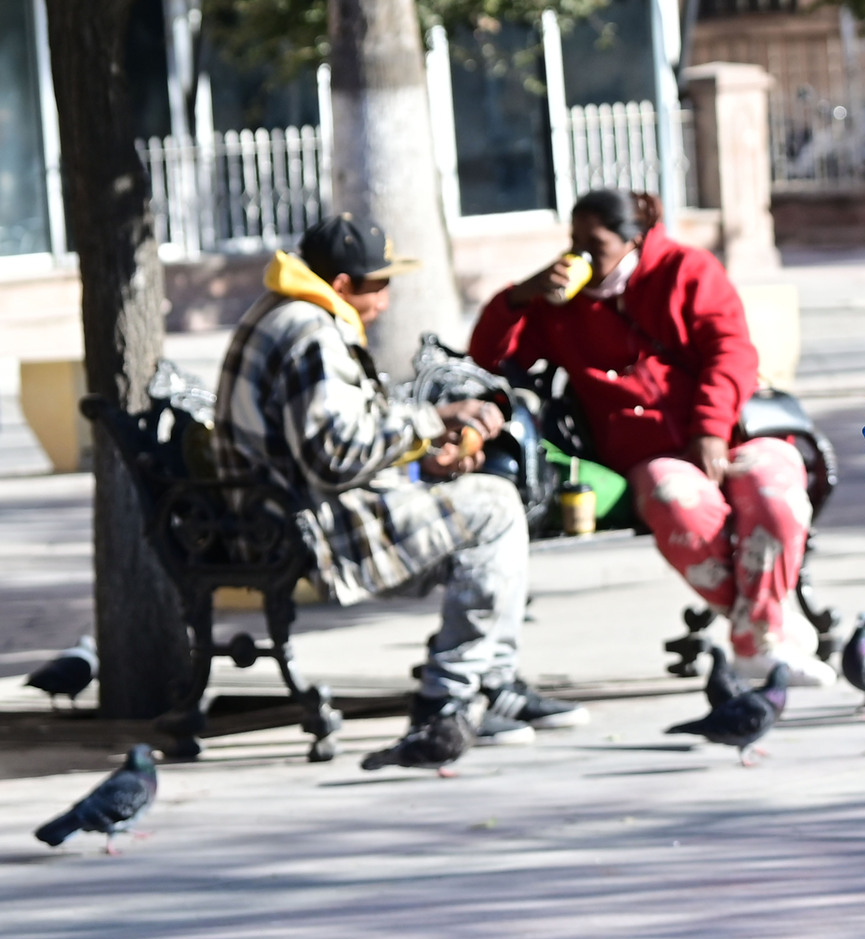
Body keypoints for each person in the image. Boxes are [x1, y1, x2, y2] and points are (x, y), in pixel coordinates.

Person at [213, 213, 586, 772]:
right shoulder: (310, 331)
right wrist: (433, 421)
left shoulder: (294, 314)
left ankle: (488, 681)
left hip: (285, 507)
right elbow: (334, 454)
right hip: (308, 524)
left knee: (481, 499)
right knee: (496, 510)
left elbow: (337, 436)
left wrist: (418, 456)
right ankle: (451, 697)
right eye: (378, 284)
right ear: (341, 284)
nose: (386, 298)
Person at [468, 189, 835, 686]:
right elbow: (487, 357)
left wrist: (708, 430)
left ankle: (759, 641)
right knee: (676, 502)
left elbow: (730, 352)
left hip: (732, 431)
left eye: (592, 243)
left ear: (632, 240)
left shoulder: (687, 270)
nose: (578, 254)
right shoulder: (561, 306)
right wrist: (519, 294)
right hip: (651, 453)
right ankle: (765, 634)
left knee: (776, 497)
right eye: (572, 241)